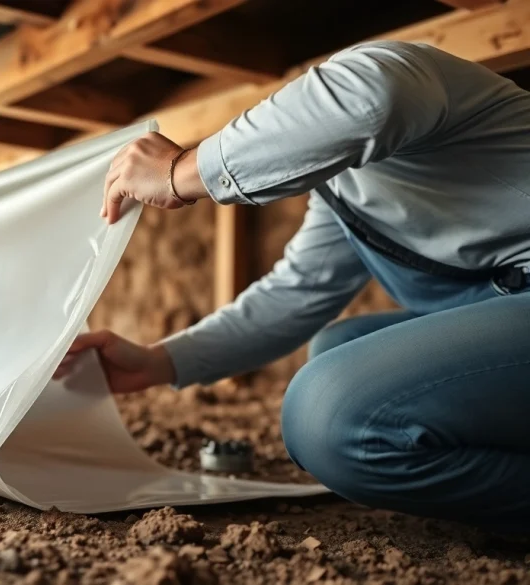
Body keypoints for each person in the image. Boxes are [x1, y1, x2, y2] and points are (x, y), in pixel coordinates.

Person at [54, 40, 530, 533]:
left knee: (328, 413)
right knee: (337, 346)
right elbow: (295, 292)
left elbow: (372, 94)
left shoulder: (398, 73)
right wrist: (158, 362)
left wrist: (181, 172)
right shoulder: (344, 190)